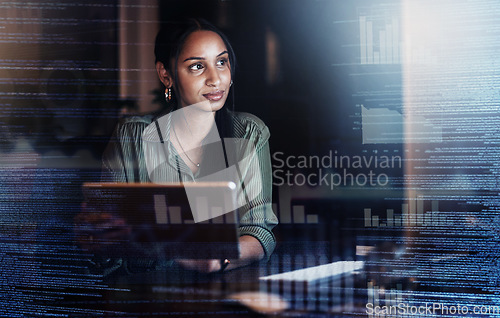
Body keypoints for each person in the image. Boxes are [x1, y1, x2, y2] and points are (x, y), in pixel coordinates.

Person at [77, 18, 278, 276]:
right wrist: (98, 239)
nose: (215, 79)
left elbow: (259, 231)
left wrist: (217, 260)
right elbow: (109, 248)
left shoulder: (250, 133)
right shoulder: (132, 136)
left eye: (221, 62)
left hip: (223, 295)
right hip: (147, 298)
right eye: (197, 66)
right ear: (166, 75)